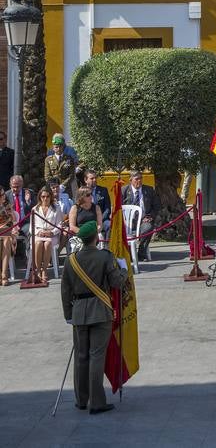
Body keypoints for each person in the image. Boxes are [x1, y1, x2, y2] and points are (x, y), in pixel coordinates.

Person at [61, 220, 127, 414]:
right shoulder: (105, 257)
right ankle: (97, 402)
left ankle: (81, 400)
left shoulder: (70, 260)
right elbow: (116, 282)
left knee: (81, 356)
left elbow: (65, 291)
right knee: (96, 356)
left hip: (79, 312)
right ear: (96, 238)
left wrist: (68, 315)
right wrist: (123, 269)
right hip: (100, 311)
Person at [121, 171, 160, 261]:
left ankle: (141, 253)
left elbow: (157, 206)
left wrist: (150, 216)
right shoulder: (124, 190)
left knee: (148, 227)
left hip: (143, 220)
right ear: (130, 180)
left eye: (141, 178)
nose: (139, 181)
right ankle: (128, 253)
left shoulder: (149, 190)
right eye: (136, 179)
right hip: (127, 221)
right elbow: (118, 208)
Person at [31, 185, 62, 282]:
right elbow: (32, 227)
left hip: (52, 234)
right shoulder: (35, 209)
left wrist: (52, 232)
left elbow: (60, 225)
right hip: (38, 235)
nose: (45, 199)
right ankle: (38, 270)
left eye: (47, 196)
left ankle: (44, 270)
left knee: (48, 243)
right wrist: (39, 232)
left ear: (51, 197)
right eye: (43, 196)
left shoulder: (56, 208)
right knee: (39, 243)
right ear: (40, 197)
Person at [44, 133, 76, 198]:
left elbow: (72, 175)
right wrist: (54, 186)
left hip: (66, 189)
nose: (58, 149)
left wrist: (63, 185)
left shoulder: (69, 159)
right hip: (53, 189)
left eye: (60, 146)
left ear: (63, 147)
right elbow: (47, 176)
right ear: (53, 147)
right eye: (56, 147)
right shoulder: (48, 159)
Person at [48, 176, 72, 254]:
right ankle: (50, 256)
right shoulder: (47, 199)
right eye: (53, 187)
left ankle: (57, 254)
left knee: (66, 231)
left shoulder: (65, 197)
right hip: (51, 225)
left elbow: (69, 213)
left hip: (63, 224)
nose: (55, 189)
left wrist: (67, 221)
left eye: (57, 187)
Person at [84, 170, 111, 238]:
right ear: (85, 180)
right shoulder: (82, 192)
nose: (95, 180)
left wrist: (100, 220)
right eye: (92, 178)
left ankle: (107, 247)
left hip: (102, 220)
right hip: (87, 221)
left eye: (95, 178)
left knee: (109, 225)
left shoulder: (103, 190)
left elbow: (107, 209)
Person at [7, 174, 33, 241]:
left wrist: (28, 201)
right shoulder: (6, 195)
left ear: (22, 185)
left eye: (17, 187)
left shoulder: (29, 193)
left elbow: (35, 209)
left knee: (31, 231)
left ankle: (27, 251)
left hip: (25, 223)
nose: (15, 189)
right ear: (10, 185)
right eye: (13, 187)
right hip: (11, 224)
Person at [0, 186, 17, 285]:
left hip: (9, 233)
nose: (3, 196)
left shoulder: (7, 205)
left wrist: (12, 230)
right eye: (1, 195)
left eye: (3, 194)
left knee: (6, 240)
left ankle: (4, 275)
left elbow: (13, 221)